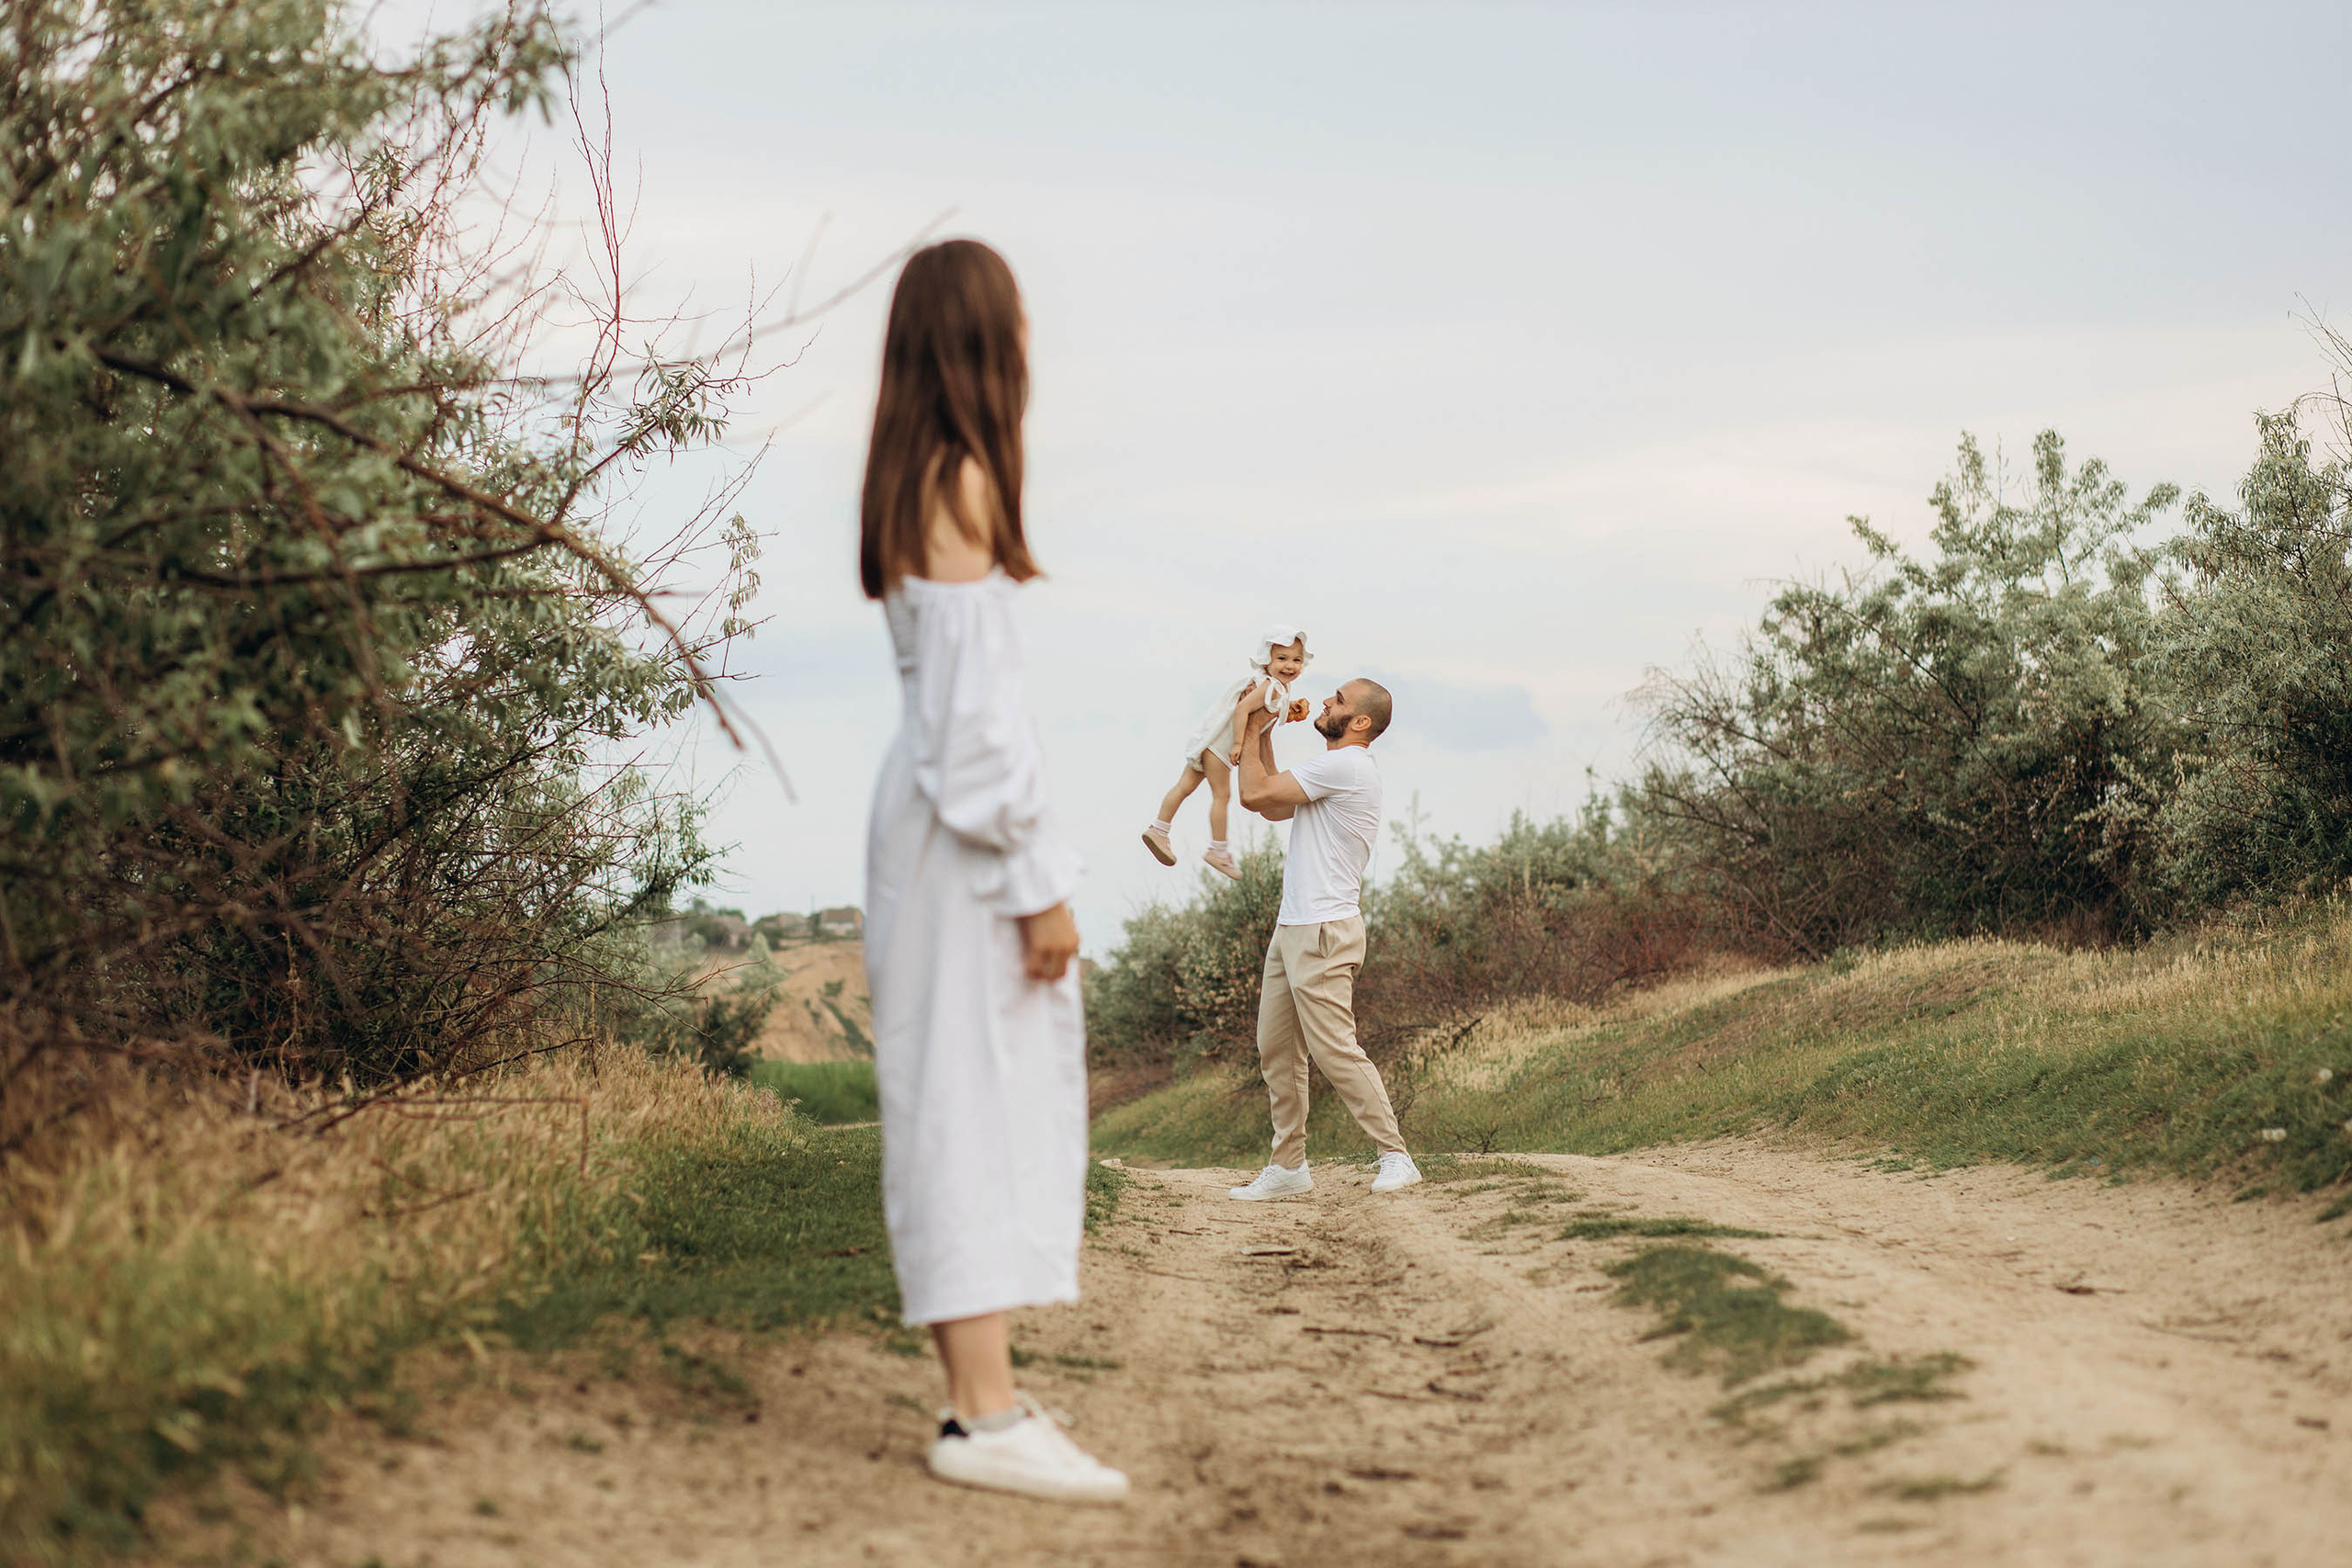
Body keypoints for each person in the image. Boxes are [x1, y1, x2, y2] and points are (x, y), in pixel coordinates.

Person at [858, 239, 1128, 1504]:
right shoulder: (957, 482)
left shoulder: (923, 478)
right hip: (966, 846)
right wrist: (1041, 883)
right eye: (1014, 325)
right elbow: (978, 738)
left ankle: (984, 1394)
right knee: (970, 1099)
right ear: (980, 343)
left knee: (956, 1094)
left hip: (932, 827)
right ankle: (982, 1410)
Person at [1226, 677, 1422, 1199]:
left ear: (1360, 723)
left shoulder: (1348, 766)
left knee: (1334, 1048)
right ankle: (1289, 1167)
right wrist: (1265, 729)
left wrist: (1247, 718)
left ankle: (1396, 1155)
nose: (1326, 702)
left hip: (1323, 930)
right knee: (1277, 1050)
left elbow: (1250, 793)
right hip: (1294, 927)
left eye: (1338, 701)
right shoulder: (1332, 772)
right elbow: (1270, 805)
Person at [1140, 626, 1314, 879]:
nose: (1289, 666)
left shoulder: (1272, 687)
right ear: (1267, 660)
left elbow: (1263, 713)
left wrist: (1289, 710)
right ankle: (1218, 851)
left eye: (1296, 660)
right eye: (1282, 659)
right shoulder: (1272, 687)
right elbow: (1243, 709)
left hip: (1209, 742)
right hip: (1221, 748)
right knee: (1222, 796)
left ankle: (1159, 828)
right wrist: (1238, 744)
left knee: (1184, 787)